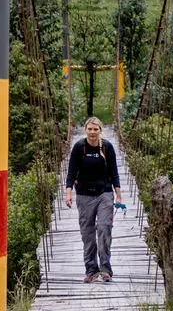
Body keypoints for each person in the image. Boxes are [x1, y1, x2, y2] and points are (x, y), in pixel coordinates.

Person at [64, 116, 122, 283]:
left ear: (100, 131)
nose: (92, 132)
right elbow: (71, 173)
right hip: (83, 195)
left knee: (104, 229)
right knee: (88, 234)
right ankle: (91, 270)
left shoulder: (107, 148)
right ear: (85, 130)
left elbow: (114, 173)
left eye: (96, 129)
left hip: (104, 194)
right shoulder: (79, 147)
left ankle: (105, 269)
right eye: (89, 129)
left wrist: (118, 194)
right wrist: (68, 194)